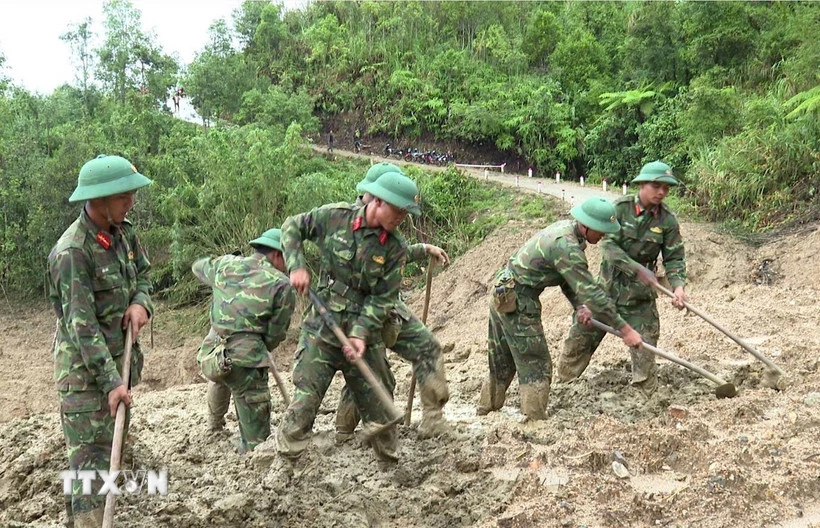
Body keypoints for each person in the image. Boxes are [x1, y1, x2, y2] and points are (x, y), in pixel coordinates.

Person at [275, 171, 422, 464]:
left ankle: (389, 467)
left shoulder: (394, 248)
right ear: (378, 202)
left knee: (381, 403)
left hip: (363, 333)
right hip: (322, 326)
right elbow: (292, 227)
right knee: (305, 402)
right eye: (399, 210)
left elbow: (383, 298)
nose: (403, 218)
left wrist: (360, 334)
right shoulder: (335, 217)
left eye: (407, 212)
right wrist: (296, 265)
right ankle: (285, 465)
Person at [48, 155, 153, 527]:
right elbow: (82, 326)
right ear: (99, 199)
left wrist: (141, 303)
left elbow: (144, 274)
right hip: (86, 381)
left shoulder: (123, 232)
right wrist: (112, 384)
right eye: (124, 196)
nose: (131, 202)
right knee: (89, 472)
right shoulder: (73, 252)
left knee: (101, 464)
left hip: (115, 371)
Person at [477, 197, 644, 421]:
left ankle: (485, 412)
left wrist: (580, 306)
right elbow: (593, 293)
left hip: (504, 292)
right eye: (602, 230)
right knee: (536, 365)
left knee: (501, 361)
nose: (604, 235)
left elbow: (566, 279)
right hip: (518, 301)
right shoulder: (567, 247)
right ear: (587, 225)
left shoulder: (567, 233)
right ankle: (533, 422)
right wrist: (626, 330)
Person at [334, 163, 451, 443]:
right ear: (372, 195)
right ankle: (344, 432)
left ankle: (433, 420)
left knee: (427, 347)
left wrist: (422, 249)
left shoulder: (387, 226)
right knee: (366, 372)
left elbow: (389, 255)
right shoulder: (346, 223)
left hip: (391, 308)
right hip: (359, 313)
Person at [557, 161, 687, 396]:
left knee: (645, 349)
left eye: (666, 188)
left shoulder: (667, 220)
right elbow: (607, 246)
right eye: (656, 186)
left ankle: (644, 399)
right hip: (606, 290)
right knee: (579, 340)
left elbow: (675, 257)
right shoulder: (619, 209)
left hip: (640, 298)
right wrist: (636, 268)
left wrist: (678, 287)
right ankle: (563, 387)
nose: (661, 192)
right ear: (642, 185)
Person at [192, 228, 296, 454]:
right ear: (278, 255)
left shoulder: (225, 265)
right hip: (244, 361)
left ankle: (214, 426)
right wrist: (258, 346)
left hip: (211, 354)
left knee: (224, 370)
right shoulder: (282, 284)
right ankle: (249, 446)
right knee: (258, 444)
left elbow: (198, 266)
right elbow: (275, 334)